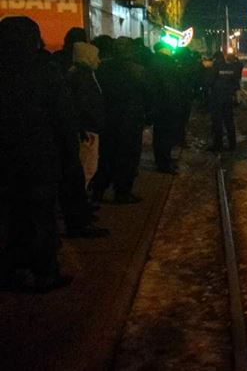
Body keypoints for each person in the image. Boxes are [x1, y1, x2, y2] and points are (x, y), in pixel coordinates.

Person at [0, 17, 74, 292]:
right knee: (41, 218)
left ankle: (10, 269)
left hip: (5, 162)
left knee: (10, 217)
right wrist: (69, 156)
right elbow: (63, 118)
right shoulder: (44, 71)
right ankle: (45, 272)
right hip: (38, 159)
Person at [89, 37, 151, 204]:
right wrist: (147, 115)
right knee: (128, 158)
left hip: (108, 119)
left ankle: (98, 192)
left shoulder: (101, 69)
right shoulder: (138, 71)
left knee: (106, 156)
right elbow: (148, 95)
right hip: (131, 120)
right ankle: (122, 192)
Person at [60, 42, 109, 238]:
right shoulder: (82, 78)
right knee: (86, 170)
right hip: (87, 131)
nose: (98, 60)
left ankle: (82, 208)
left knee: (87, 170)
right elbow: (84, 106)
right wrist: (91, 126)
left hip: (87, 129)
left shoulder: (77, 75)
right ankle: (79, 212)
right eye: (95, 56)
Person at [149, 42, 183, 173]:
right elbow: (171, 86)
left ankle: (162, 161)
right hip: (168, 105)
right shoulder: (167, 63)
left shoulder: (152, 61)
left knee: (159, 135)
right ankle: (165, 163)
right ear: (164, 49)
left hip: (157, 104)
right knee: (166, 136)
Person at [208, 52, 242, 151]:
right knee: (229, 121)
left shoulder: (215, 67)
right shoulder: (231, 68)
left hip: (217, 98)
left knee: (217, 122)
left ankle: (218, 145)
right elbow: (236, 83)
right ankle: (232, 145)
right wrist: (236, 96)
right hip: (228, 98)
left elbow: (209, 81)